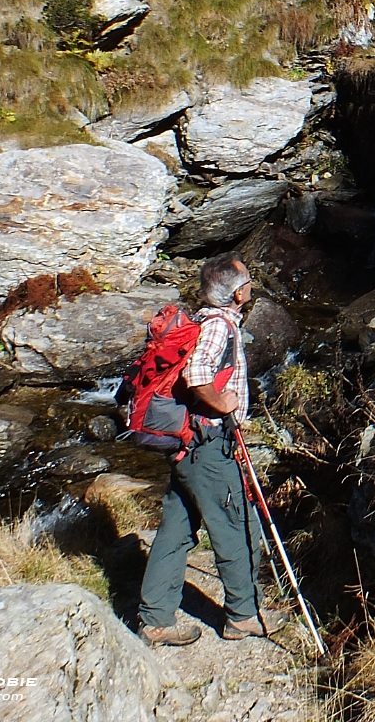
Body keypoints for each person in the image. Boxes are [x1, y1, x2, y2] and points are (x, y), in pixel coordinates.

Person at [137, 254, 265, 647]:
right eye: (247, 280)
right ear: (235, 293)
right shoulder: (218, 328)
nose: (251, 285)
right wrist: (223, 404)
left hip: (190, 447)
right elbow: (197, 376)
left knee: (176, 530)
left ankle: (155, 618)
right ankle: (242, 616)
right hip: (210, 447)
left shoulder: (204, 321)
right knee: (238, 525)